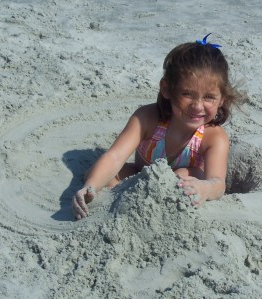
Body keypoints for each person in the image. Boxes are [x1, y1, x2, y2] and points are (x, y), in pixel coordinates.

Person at [72, 34, 244, 220]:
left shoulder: (214, 137)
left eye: (209, 97)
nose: (197, 106)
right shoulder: (147, 118)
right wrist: (90, 186)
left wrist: (206, 188)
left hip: (185, 187)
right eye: (187, 94)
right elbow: (115, 156)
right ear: (167, 89)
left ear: (222, 99)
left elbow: (218, 184)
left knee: (181, 174)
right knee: (104, 174)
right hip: (142, 177)